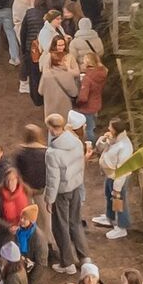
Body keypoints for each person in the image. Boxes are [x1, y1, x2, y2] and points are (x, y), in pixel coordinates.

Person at [45, 113, 87, 273]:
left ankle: (67, 263)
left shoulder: (52, 153)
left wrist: (49, 199)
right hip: (75, 187)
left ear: (51, 128)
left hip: (61, 192)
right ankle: (84, 258)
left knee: (60, 226)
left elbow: (53, 178)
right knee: (75, 222)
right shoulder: (76, 142)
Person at [93, 120, 135, 241]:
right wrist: (103, 140)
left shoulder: (124, 146)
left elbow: (123, 170)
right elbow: (100, 148)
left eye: (110, 127)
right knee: (109, 197)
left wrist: (117, 188)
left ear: (116, 130)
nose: (108, 128)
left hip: (117, 178)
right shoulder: (114, 139)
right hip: (110, 175)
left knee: (118, 202)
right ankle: (110, 218)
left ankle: (121, 226)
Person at [41, 34, 81, 124]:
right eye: (59, 45)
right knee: (52, 122)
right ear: (54, 45)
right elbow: (45, 72)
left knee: (64, 121)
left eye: (63, 45)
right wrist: (59, 73)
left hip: (65, 92)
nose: (61, 47)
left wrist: (67, 71)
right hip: (52, 92)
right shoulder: (49, 57)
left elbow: (77, 72)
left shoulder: (69, 56)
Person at [0, 164, 29, 242]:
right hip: (7, 231)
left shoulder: (25, 191)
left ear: (17, 180)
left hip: (24, 229)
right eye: (8, 180)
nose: (10, 183)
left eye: (13, 180)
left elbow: (30, 210)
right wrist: (9, 226)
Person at [75, 57, 107, 146]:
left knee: (89, 129)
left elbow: (83, 97)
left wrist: (77, 103)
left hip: (87, 107)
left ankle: (91, 147)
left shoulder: (87, 78)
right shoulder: (101, 74)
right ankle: (95, 145)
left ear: (87, 63)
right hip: (96, 104)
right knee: (93, 127)